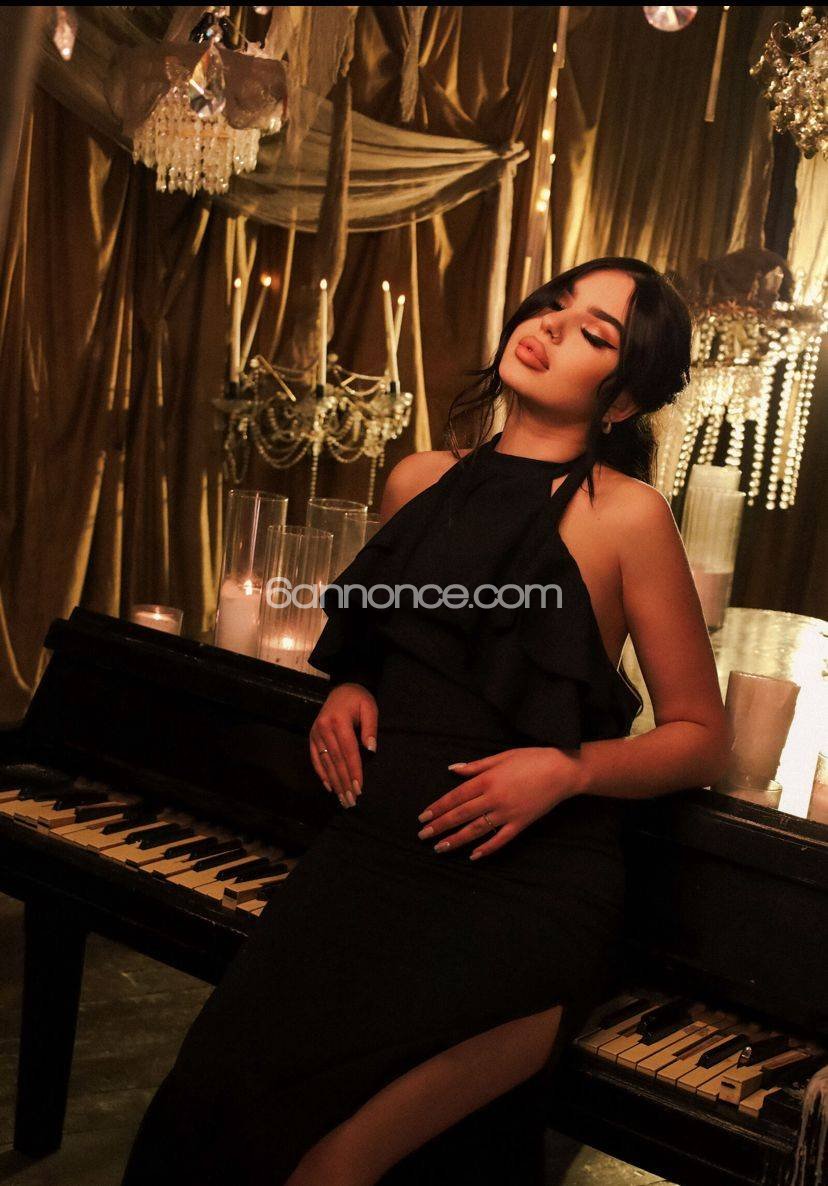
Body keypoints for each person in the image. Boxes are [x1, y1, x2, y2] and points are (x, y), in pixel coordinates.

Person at [120, 256, 733, 1186]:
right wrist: (350, 686)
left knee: (333, 1168)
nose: (549, 325)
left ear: (622, 401)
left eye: (593, 333)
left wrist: (568, 769)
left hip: (524, 892)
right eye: (554, 304)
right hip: (369, 857)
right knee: (199, 1120)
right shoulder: (417, 480)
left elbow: (701, 737)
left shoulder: (629, 518)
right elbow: (394, 645)